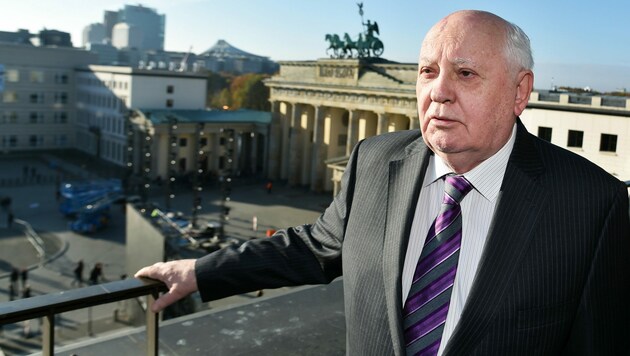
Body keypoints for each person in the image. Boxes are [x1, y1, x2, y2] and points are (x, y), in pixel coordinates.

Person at [136, 10, 630, 355]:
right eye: (427, 72)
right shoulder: (375, 162)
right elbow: (313, 247)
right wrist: (202, 271)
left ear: (520, 91)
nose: (439, 92)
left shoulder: (591, 202)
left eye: (464, 73)